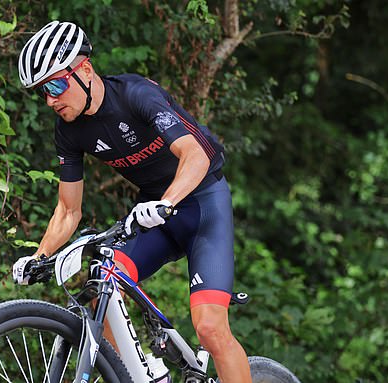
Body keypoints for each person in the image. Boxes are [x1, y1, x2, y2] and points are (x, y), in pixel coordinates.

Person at [13, 20, 252, 382]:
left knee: (210, 329)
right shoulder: (68, 130)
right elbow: (68, 209)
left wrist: (167, 201)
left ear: (85, 70)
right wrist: (38, 256)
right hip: (152, 214)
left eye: (56, 84)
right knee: (102, 284)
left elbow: (196, 156)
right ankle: (144, 373)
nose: (50, 99)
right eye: (43, 91)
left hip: (202, 204)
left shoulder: (136, 95)